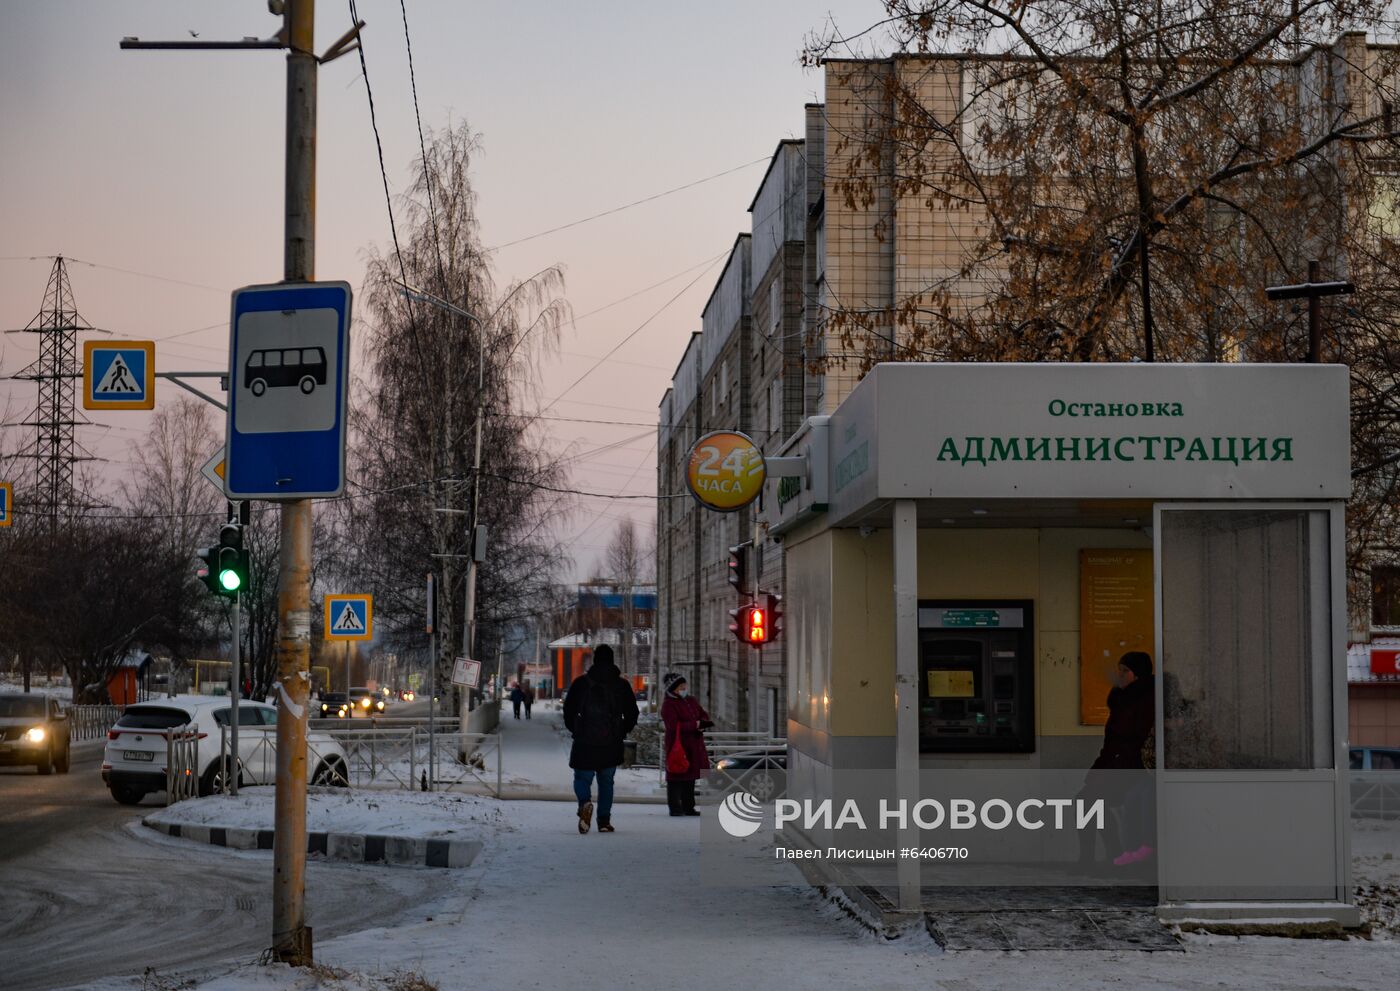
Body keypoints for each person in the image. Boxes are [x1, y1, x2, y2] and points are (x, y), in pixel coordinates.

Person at [1088, 650, 1156, 867]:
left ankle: (1117, 855)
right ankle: (1108, 855)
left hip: (1132, 768)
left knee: (1091, 803)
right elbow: (1112, 741)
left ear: (1137, 674)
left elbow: (1134, 739)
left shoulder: (1143, 701)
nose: (1120, 675)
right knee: (1086, 803)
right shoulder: (1121, 700)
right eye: (1119, 670)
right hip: (1114, 764)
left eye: (1125, 671)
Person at [563, 645, 639, 834]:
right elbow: (632, 712)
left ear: (595, 660)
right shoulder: (621, 685)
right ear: (613, 660)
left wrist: (576, 729)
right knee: (606, 782)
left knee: (582, 778)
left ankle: (585, 804)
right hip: (611, 742)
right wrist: (621, 731)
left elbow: (568, 710)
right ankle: (604, 821)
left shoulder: (581, 683)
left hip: (584, 742)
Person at [660, 672, 712, 816]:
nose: (684, 689)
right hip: (678, 745)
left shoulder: (691, 700)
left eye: (685, 686)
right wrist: (694, 724)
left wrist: (703, 722)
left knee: (690, 777)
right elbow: (673, 725)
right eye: (681, 687)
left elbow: (703, 713)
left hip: (694, 744)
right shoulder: (668, 705)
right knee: (676, 776)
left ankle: (689, 807)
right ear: (673, 689)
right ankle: (675, 807)